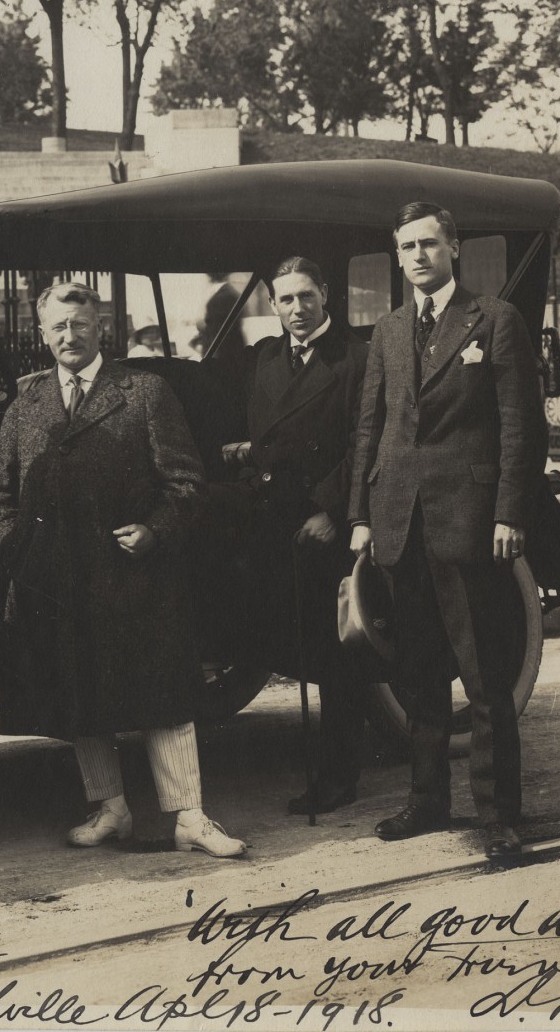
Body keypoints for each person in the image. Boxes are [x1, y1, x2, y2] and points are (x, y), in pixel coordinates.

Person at [0, 282, 245, 858]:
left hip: (136, 573)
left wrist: (155, 530)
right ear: (41, 334)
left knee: (164, 695)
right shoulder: (27, 404)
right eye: (57, 327)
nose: (69, 336)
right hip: (58, 577)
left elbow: (185, 481)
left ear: (100, 329)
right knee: (82, 698)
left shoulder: (144, 392)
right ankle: (110, 810)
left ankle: (190, 818)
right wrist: (17, 549)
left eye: (80, 325)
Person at [349, 202, 540, 867]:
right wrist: (361, 518)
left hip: (469, 524)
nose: (419, 257)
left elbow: (520, 428)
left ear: (454, 247)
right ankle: (427, 800)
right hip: (400, 522)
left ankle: (498, 817)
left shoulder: (495, 320)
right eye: (407, 247)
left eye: (430, 244)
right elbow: (369, 430)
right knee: (417, 675)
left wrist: (510, 514)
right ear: (397, 256)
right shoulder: (389, 330)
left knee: (484, 678)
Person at [223, 257, 369, 814]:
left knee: (337, 659)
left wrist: (334, 510)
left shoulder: (354, 358)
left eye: (306, 297)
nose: (297, 310)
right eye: (285, 300)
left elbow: (364, 443)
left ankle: (337, 777)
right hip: (274, 518)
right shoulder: (265, 357)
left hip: (322, 523)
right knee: (296, 642)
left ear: (325, 294)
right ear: (273, 304)